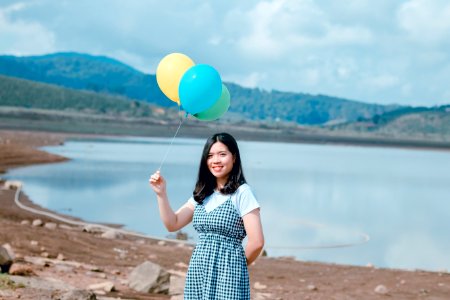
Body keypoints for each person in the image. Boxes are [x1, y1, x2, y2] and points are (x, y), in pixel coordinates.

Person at [149, 132, 264, 299]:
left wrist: (237, 265)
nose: (215, 160)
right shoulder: (203, 193)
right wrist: (161, 194)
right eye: (210, 156)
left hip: (229, 271)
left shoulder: (242, 193)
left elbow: (257, 242)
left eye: (222, 154)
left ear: (234, 157)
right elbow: (172, 224)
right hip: (199, 269)